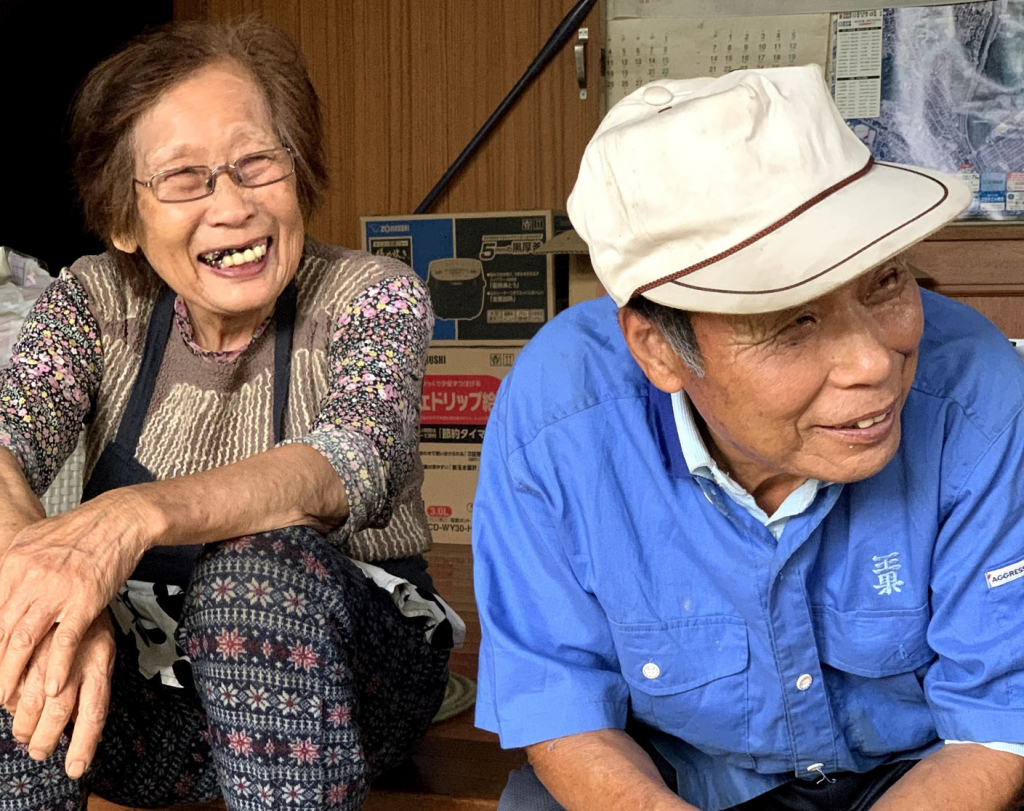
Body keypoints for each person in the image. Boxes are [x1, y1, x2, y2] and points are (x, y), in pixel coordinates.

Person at [472, 65, 1024, 811]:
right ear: (660, 349)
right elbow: (561, 704)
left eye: (886, 282)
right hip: (676, 775)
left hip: (920, 770)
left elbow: (995, 724)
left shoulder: (977, 395)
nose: (873, 362)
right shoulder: (559, 420)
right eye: (793, 320)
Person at [0, 17, 458, 811]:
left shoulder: (373, 297)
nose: (233, 205)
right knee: (19, 601)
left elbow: (348, 463)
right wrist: (53, 590)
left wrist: (126, 520)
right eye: (184, 178)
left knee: (252, 576)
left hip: (341, 691)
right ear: (123, 220)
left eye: (256, 163)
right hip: (148, 694)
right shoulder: (92, 300)